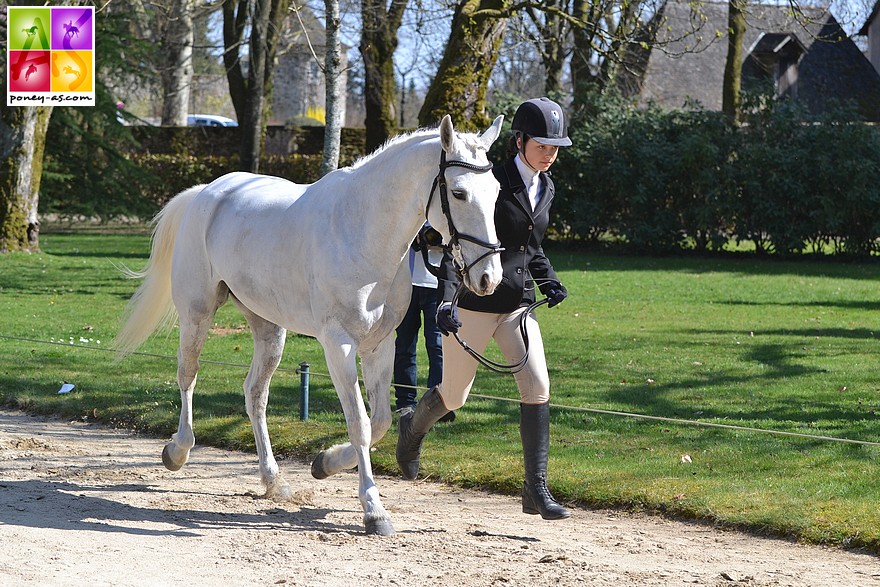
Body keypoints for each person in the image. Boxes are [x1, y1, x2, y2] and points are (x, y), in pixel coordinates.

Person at [397, 97, 572, 520]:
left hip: (518, 306)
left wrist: (547, 276)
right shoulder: (488, 182)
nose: (550, 154)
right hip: (474, 306)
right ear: (519, 141)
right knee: (453, 396)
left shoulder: (545, 187)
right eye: (542, 145)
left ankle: (536, 490)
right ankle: (411, 432)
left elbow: (530, 246)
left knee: (538, 388)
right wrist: (445, 298)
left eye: (555, 147)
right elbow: (457, 240)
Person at [393, 224, 455, 423]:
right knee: (404, 344)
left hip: (439, 284)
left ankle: (437, 405)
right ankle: (405, 402)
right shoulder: (411, 203)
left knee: (437, 345)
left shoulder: (446, 204)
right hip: (406, 283)